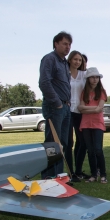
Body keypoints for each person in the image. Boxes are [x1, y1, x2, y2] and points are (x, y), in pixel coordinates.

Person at [39, 31, 72, 178]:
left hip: (65, 108)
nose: (68, 47)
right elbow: (44, 83)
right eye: (65, 43)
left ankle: (59, 177)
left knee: (62, 143)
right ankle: (48, 177)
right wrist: (58, 103)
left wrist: (67, 103)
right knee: (53, 144)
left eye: (69, 44)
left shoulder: (64, 63)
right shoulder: (49, 59)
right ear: (56, 44)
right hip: (54, 107)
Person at [79, 67, 108, 183]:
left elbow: (99, 109)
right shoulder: (83, 92)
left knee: (98, 150)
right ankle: (93, 174)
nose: (95, 79)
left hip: (98, 124)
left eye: (97, 77)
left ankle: (103, 174)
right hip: (85, 124)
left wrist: (85, 108)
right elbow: (80, 109)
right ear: (88, 79)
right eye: (92, 77)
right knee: (90, 151)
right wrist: (94, 108)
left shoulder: (101, 92)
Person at [66, 51, 87, 182]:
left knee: (83, 142)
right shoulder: (64, 74)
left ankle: (78, 171)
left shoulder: (83, 75)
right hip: (67, 111)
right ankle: (70, 173)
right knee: (68, 143)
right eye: (75, 59)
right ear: (69, 60)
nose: (77, 62)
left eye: (80, 60)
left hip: (80, 112)